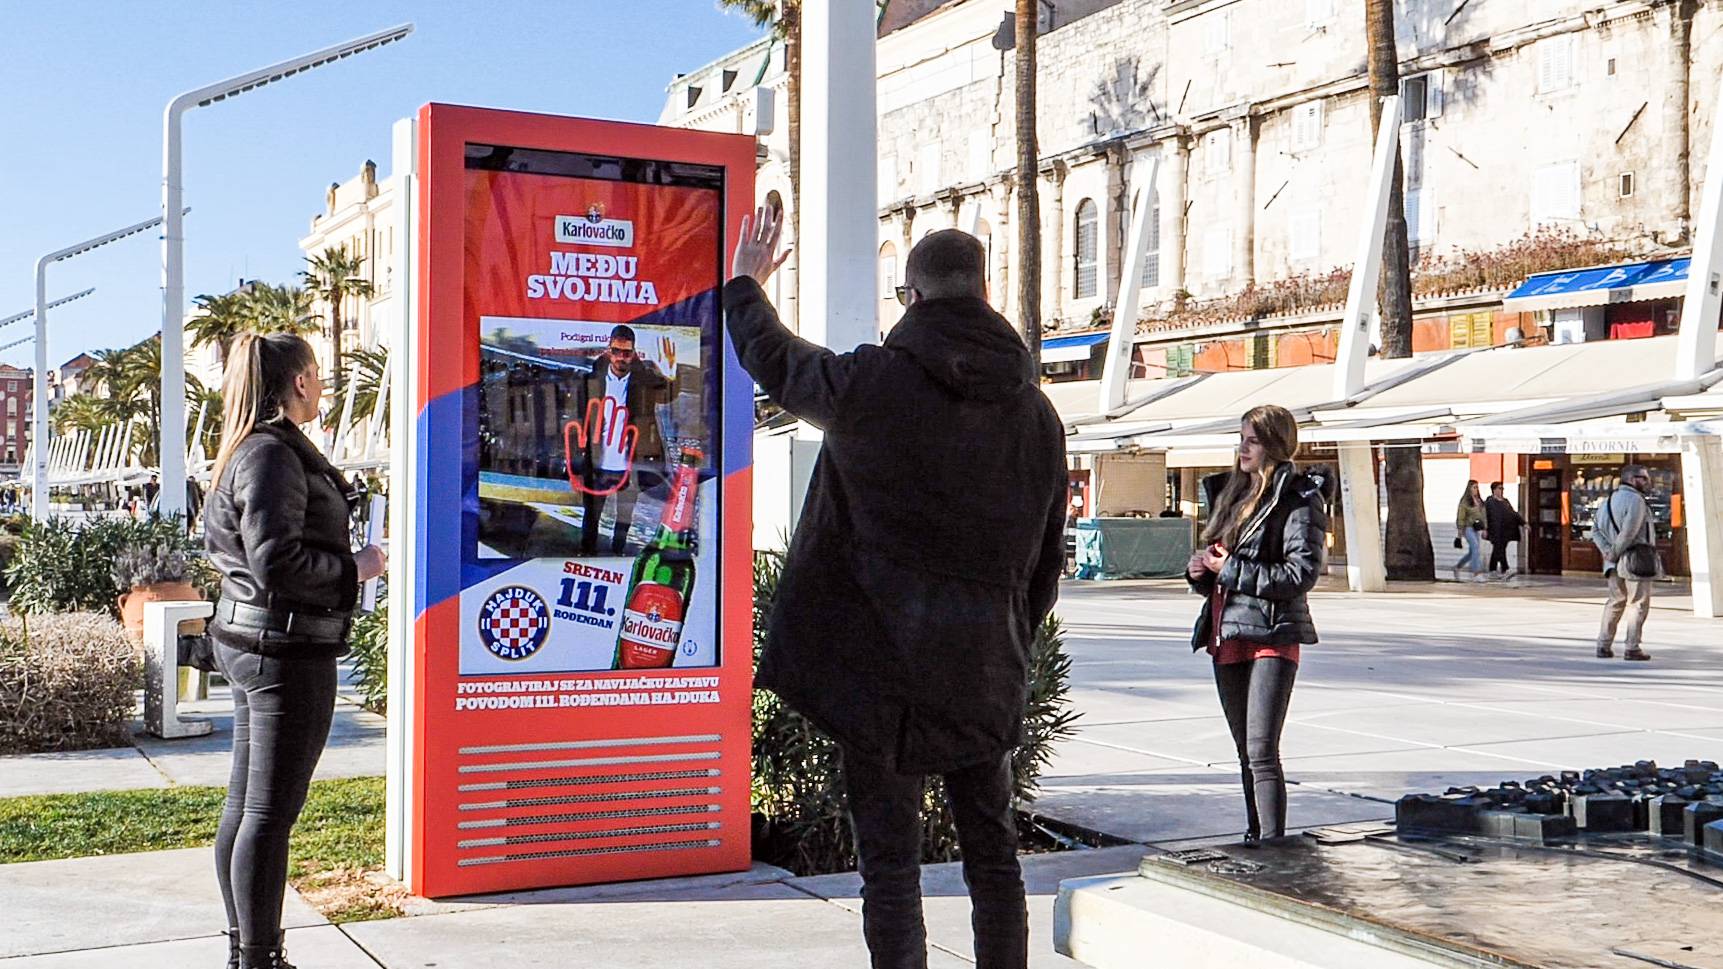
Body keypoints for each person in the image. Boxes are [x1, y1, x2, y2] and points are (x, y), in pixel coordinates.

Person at [725, 210, 1067, 969]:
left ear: (910, 297)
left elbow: (778, 361)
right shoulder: (1037, 415)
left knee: (890, 865)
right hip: (984, 668)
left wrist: (747, 285)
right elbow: (1047, 559)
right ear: (984, 290)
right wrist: (1007, 632)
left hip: (878, 673)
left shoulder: (875, 384)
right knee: (993, 856)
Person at [203, 333, 387, 969]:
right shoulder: (271, 453)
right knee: (268, 815)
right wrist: (358, 566)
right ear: (302, 380)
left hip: (262, 641)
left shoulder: (253, 446)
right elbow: (278, 559)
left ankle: (248, 952)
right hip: (282, 648)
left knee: (250, 808)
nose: (325, 384)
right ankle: (259, 958)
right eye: (319, 373)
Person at [1186, 405, 1331, 844]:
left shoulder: (1300, 498)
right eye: (1241, 437)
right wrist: (1201, 572)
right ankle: (1256, 837)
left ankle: (1274, 846)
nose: (1242, 447)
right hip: (1227, 631)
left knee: (1262, 751)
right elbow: (1223, 568)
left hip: (1273, 635)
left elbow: (1298, 575)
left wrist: (1229, 568)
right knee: (1244, 753)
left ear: (1273, 444)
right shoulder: (1232, 494)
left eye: (1251, 439)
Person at [572, 324, 674, 556]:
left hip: (629, 462)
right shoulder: (593, 380)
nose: (621, 358)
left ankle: (617, 552)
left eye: (626, 353)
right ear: (609, 351)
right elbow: (579, 419)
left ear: (634, 353)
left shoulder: (642, 381)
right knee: (591, 515)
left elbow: (666, 395)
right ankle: (586, 554)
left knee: (625, 514)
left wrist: (667, 372)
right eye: (616, 351)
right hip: (598, 461)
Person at [1592, 464, 1657, 661]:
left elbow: (1595, 530)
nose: (1647, 482)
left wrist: (1607, 551)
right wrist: (1615, 552)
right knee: (1638, 603)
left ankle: (1603, 645)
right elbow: (1629, 531)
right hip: (1633, 560)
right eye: (1644, 478)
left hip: (1612, 563)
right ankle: (1632, 647)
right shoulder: (1636, 500)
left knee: (1615, 602)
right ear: (1632, 479)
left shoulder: (1608, 500)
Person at [1483, 481, 1525, 577]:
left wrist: (1523, 523)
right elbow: (1484, 516)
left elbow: (1513, 514)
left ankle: (1493, 569)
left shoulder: (1505, 502)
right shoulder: (1489, 502)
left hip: (1505, 530)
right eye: (1500, 488)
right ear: (1494, 490)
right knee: (1499, 549)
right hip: (1495, 530)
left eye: (1502, 488)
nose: (1502, 490)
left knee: (1499, 549)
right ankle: (1505, 568)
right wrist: (1484, 528)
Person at [1453, 480, 1487, 582]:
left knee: (1473, 552)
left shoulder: (1479, 501)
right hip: (1467, 528)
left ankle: (1458, 566)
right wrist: (1460, 532)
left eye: (1477, 487)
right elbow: (1461, 516)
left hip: (1476, 528)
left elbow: (1483, 516)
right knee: (1476, 547)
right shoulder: (1465, 502)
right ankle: (1477, 573)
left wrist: (1485, 528)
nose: (1476, 489)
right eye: (1473, 487)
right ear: (1469, 489)